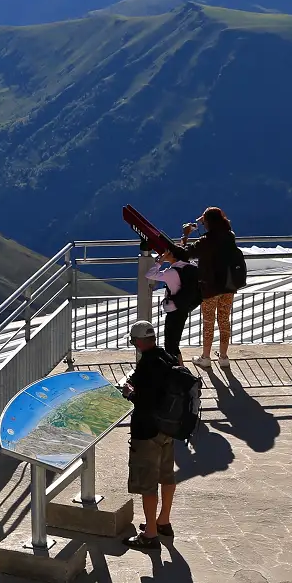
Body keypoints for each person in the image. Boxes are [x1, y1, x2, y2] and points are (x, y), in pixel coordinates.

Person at [118, 320, 177, 549]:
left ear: (140, 341)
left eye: (133, 340)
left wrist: (130, 393)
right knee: (167, 475)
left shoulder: (146, 366)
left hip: (147, 432)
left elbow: (145, 400)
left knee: (148, 484)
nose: (133, 344)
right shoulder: (167, 357)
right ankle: (163, 521)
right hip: (168, 429)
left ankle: (150, 534)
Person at [181, 206, 240, 368]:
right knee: (224, 320)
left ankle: (206, 357)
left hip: (210, 287)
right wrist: (205, 220)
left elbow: (185, 253)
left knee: (208, 321)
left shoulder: (205, 241)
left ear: (208, 222)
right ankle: (224, 357)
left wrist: (186, 235)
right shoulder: (230, 236)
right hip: (228, 285)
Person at [147, 247, 201, 361]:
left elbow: (150, 274)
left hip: (173, 309)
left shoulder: (171, 272)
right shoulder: (190, 267)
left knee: (170, 344)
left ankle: (176, 370)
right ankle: (180, 368)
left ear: (174, 257)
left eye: (169, 254)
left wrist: (160, 261)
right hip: (184, 307)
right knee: (174, 343)